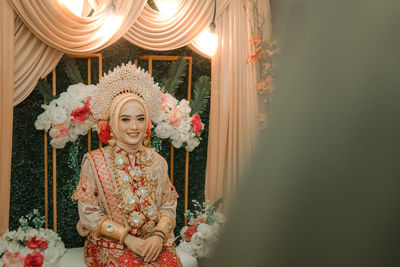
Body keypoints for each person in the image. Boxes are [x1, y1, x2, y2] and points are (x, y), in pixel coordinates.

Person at [72, 63, 182, 266]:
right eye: (125, 119)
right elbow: (88, 212)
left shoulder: (158, 162)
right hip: (111, 245)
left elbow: (168, 205)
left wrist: (158, 236)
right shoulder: (94, 161)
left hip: (155, 243)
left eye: (140, 119)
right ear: (112, 124)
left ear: (147, 123)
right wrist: (129, 239)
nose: (134, 127)